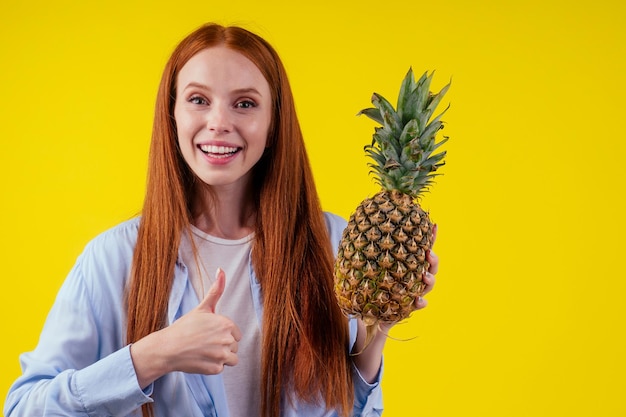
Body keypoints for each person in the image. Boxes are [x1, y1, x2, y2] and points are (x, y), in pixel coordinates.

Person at [4, 23, 438, 417]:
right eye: (198, 100)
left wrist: (374, 330)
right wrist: (156, 354)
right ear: (172, 113)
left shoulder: (335, 243)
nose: (219, 123)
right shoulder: (114, 257)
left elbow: (356, 410)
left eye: (245, 104)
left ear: (273, 124)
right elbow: (25, 409)